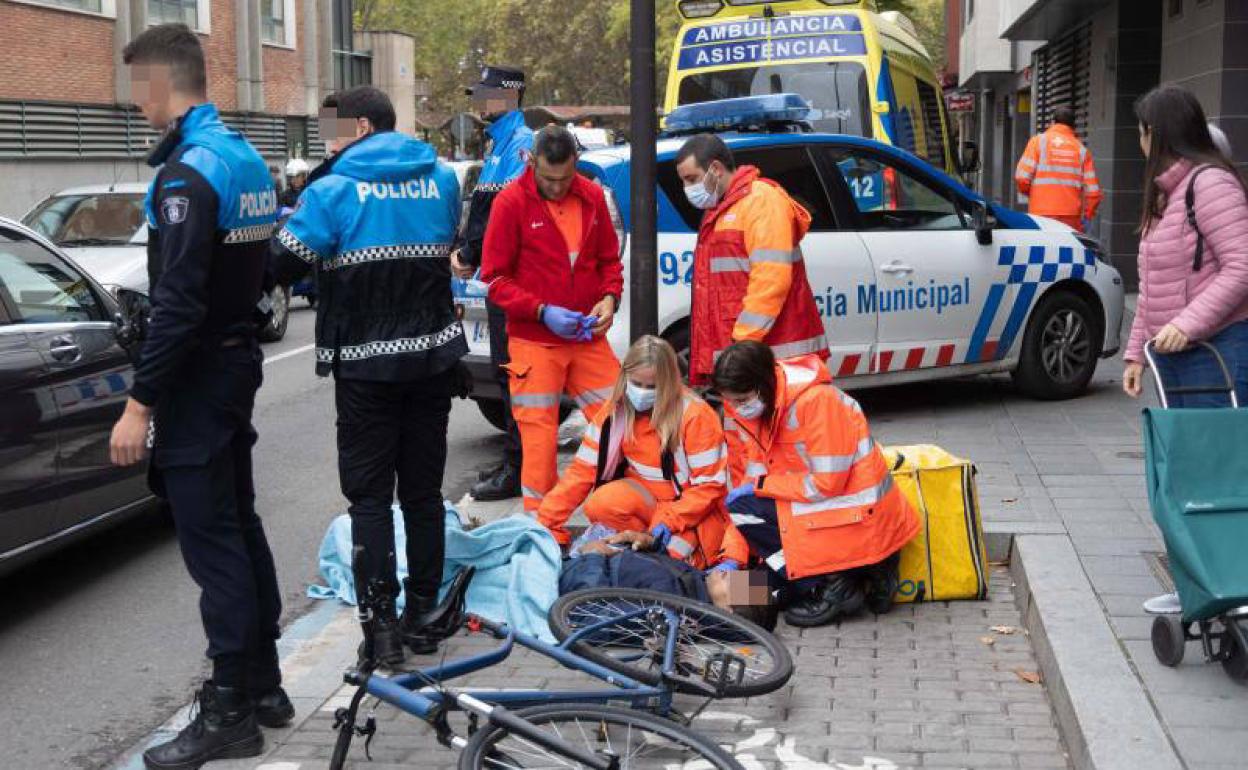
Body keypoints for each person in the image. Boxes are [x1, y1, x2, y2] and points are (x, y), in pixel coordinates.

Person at [107, 24, 288, 768]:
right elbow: (266, 263)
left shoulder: (186, 174)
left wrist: (139, 403)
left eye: (134, 88)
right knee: (238, 526)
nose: (132, 104)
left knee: (213, 544)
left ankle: (230, 711)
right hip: (236, 365)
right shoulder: (244, 157)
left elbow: (178, 302)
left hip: (199, 379)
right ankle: (266, 683)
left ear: (158, 82)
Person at [270, 85, 467, 667]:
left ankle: (381, 631)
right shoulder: (442, 180)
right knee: (425, 494)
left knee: (371, 501)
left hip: (366, 367)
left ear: (357, 127)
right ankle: (425, 616)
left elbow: (281, 265)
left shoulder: (331, 191)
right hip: (433, 359)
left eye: (329, 129)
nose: (323, 140)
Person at [1118, 85, 1248, 616]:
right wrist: (1133, 354)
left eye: (1143, 129)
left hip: (1217, 352)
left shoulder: (1210, 185)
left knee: (1219, 473)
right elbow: (1151, 287)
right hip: (1173, 357)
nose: (1138, 139)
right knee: (1184, 475)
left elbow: (1242, 267)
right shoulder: (1167, 194)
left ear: (1161, 132)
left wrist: (1189, 326)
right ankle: (1198, 584)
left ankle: (1233, 585)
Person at [711, 341, 920, 627]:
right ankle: (829, 581)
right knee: (739, 588)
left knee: (744, 508)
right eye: (730, 401)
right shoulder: (757, 407)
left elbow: (826, 484)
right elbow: (751, 487)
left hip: (857, 518)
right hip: (828, 514)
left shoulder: (818, 401)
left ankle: (831, 583)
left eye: (741, 399)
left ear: (765, 383)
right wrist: (732, 558)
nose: (736, 408)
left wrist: (764, 484)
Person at [481, 124, 623, 518]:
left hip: (586, 337)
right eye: (547, 178)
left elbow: (610, 261)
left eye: (564, 178)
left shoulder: (592, 195)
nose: (557, 187)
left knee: (621, 423)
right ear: (531, 162)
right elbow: (494, 279)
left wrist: (610, 299)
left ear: (576, 164)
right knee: (538, 442)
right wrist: (542, 311)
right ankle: (543, 529)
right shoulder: (510, 202)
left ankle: (617, 514)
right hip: (534, 342)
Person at [539, 336, 750, 570]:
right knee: (604, 507)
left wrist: (666, 526)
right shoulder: (614, 412)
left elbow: (711, 490)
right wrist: (545, 524)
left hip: (691, 514)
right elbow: (580, 473)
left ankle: (719, 578)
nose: (642, 393)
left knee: (683, 565)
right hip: (663, 512)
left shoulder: (696, 416)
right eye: (637, 383)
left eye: (652, 387)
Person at [674, 133, 829, 390]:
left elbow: (771, 281)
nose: (687, 189)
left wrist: (742, 344)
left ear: (715, 168)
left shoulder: (761, 201)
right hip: (753, 355)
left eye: (691, 179)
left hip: (773, 355)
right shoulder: (724, 208)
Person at [451, 66, 535, 502]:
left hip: (516, 284)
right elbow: (483, 213)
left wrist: (468, 255)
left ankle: (520, 470)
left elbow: (506, 219)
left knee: (515, 378)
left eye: (485, 93)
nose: (478, 101)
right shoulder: (500, 144)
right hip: (501, 282)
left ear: (510, 94)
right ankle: (516, 461)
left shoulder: (521, 146)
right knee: (507, 378)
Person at [1015, 105, 1103, 232]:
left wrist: (1032, 193)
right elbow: (1094, 192)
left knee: (1042, 249)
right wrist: (1088, 215)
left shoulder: (1037, 142)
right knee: (1066, 251)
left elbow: (1021, 177)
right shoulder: (1082, 150)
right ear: (1073, 126)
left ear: (1052, 122)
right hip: (1071, 217)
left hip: (1041, 213)